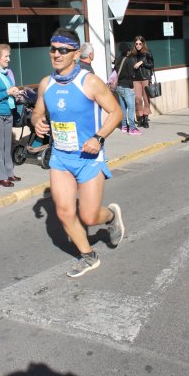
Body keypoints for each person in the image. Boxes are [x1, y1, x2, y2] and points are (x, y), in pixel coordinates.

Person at [32, 27, 124, 278]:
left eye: (63, 50)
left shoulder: (89, 81)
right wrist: (37, 121)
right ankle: (88, 256)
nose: (57, 54)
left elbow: (116, 113)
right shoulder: (46, 83)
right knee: (63, 211)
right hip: (61, 157)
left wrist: (98, 137)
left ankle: (111, 216)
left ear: (75, 54)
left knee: (89, 215)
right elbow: (38, 112)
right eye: (53, 49)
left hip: (88, 158)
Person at [0, 44, 22, 187]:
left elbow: (9, 90)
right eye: (6, 56)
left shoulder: (6, 72)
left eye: (9, 56)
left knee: (7, 144)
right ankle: (1, 176)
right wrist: (7, 93)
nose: (8, 59)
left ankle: (9, 172)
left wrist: (16, 93)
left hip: (9, 111)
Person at [115, 42, 141, 135]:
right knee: (131, 106)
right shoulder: (129, 60)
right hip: (127, 86)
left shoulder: (118, 59)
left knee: (123, 107)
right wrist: (131, 87)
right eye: (129, 50)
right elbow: (131, 75)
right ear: (127, 51)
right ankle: (132, 128)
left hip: (118, 86)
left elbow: (115, 71)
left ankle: (124, 126)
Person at [132, 35, 154, 128]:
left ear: (143, 44)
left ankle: (145, 118)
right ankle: (140, 117)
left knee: (146, 98)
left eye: (140, 43)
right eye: (136, 43)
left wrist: (142, 62)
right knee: (137, 99)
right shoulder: (132, 54)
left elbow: (151, 65)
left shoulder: (147, 52)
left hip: (145, 78)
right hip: (135, 79)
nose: (138, 45)